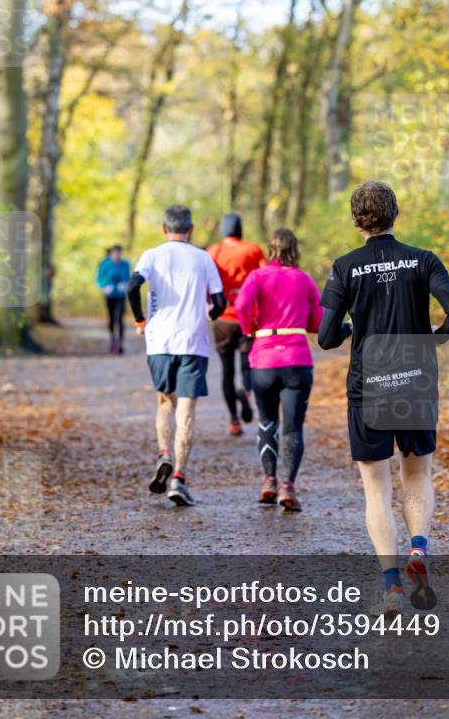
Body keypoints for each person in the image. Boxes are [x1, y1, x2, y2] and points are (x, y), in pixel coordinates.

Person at [318, 180, 449, 616]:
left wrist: (351, 328)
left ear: (356, 220)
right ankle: (418, 549)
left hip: (369, 387)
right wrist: (434, 340)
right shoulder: (424, 259)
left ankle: (392, 588)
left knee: (376, 488)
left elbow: (326, 337)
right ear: (395, 212)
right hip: (416, 380)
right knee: (417, 473)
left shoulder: (345, 267)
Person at [127, 205, 226, 507]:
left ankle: (164, 454)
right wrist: (212, 313)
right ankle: (179, 479)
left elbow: (132, 286)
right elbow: (220, 300)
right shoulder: (203, 257)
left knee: (164, 402)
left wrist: (140, 320)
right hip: (192, 342)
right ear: (190, 229)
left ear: (164, 228)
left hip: (159, 341)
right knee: (187, 410)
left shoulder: (151, 255)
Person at [235, 228, 323, 512]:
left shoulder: (258, 276)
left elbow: (241, 304)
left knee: (267, 422)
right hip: (297, 360)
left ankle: (269, 482)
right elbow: (318, 322)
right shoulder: (304, 279)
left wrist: (250, 328)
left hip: (264, 360)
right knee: (293, 427)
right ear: (294, 249)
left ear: (270, 249)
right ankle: (288, 486)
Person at [207, 213, 266, 436]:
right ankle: (246, 390)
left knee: (227, 371)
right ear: (240, 228)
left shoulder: (213, 251)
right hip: (248, 316)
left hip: (223, 318)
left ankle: (234, 420)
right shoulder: (253, 250)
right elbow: (264, 279)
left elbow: (205, 282)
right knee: (247, 365)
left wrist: (208, 306)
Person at [96, 245, 131, 354]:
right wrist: (104, 287)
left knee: (119, 319)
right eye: (114, 254)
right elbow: (100, 278)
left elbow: (128, 277)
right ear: (111, 254)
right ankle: (112, 340)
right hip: (110, 295)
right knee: (111, 319)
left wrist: (125, 284)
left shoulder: (125, 264)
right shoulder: (105, 264)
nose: (117, 256)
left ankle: (120, 344)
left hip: (121, 295)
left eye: (118, 254)